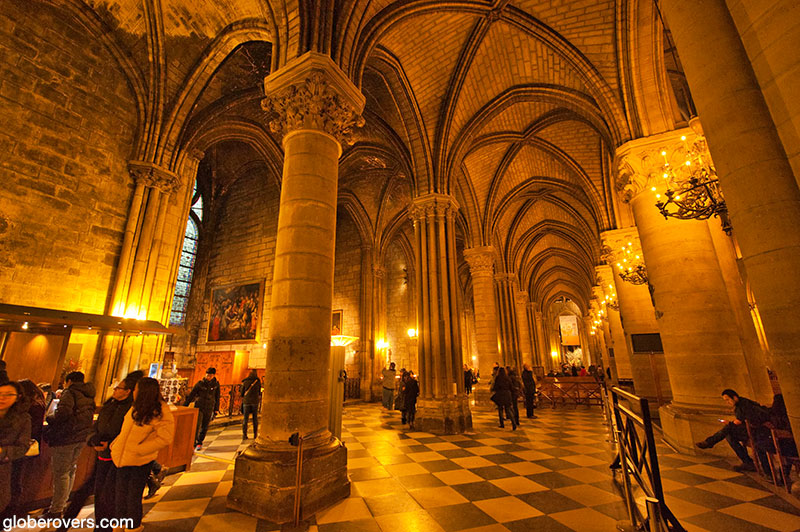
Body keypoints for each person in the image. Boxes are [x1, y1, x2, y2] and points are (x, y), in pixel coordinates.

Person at [58, 370, 144, 532]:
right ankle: (66, 525)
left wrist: (110, 444)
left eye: (119, 388)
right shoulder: (109, 405)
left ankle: (103, 528)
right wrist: (93, 439)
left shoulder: (133, 410)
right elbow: (95, 427)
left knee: (106, 497)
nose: (115, 390)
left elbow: (130, 435)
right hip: (101, 456)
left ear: (128, 392)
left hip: (117, 459)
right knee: (91, 492)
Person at [111, 378, 174, 532]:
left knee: (133, 495)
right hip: (122, 457)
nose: (133, 391)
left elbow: (166, 437)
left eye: (136, 388)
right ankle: (119, 525)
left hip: (140, 460)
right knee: (120, 493)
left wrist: (141, 449)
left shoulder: (160, 411)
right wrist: (116, 445)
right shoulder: (135, 407)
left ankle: (133, 527)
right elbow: (125, 432)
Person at [43, 371, 95, 518]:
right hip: (81, 436)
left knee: (61, 473)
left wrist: (49, 417)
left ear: (69, 381)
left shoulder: (70, 392)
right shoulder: (89, 394)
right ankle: (61, 503)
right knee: (70, 470)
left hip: (66, 436)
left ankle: (56, 509)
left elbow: (62, 413)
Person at [695, 389, 769, 472]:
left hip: (756, 431)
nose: (727, 402)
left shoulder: (743, 404)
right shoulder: (741, 404)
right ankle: (747, 462)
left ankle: (710, 442)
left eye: (728, 400)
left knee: (728, 429)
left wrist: (731, 423)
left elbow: (742, 421)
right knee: (729, 434)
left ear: (735, 397)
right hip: (749, 429)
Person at [6, 379, 46, 518]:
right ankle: (12, 510)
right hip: (27, 446)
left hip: (21, 447)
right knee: (16, 479)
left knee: (13, 480)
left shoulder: (26, 409)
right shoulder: (39, 402)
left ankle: (10, 511)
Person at [0, 381, 31, 515]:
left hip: (3, 469)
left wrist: (2, 452)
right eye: (0, 394)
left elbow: (23, 447)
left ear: (18, 397)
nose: (2, 398)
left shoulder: (23, 419)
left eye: (8, 394)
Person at [185, 367, 220, 450]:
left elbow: (217, 397)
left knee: (205, 426)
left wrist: (216, 409)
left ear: (213, 376)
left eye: (210, 376)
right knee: (197, 425)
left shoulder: (216, 385)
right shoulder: (200, 384)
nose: (208, 377)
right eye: (207, 375)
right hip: (199, 406)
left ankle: (200, 442)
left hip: (209, 407)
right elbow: (191, 395)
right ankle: (193, 443)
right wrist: (185, 406)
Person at [240, 369, 261, 440]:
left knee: (245, 419)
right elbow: (259, 392)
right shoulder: (257, 382)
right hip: (255, 402)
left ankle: (244, 434)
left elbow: (241, 393)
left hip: (246, 402)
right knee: (255, 418)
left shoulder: (245, 381)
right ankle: (255, 434)